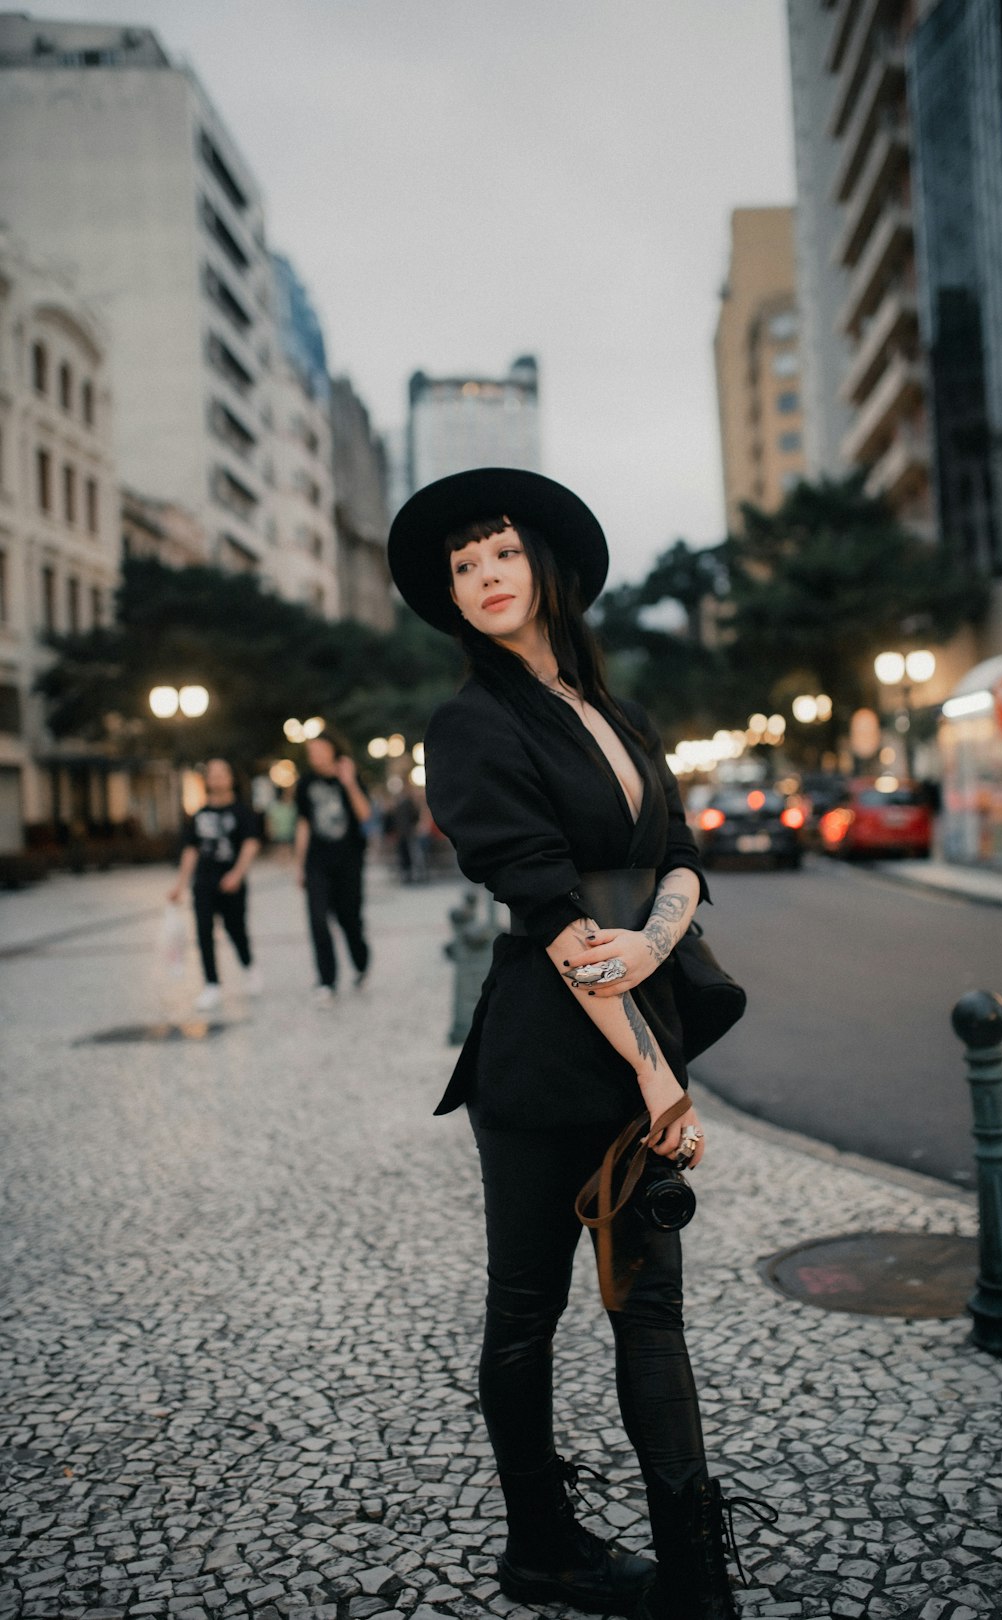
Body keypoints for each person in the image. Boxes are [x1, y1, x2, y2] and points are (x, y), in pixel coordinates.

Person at [388, 469, 768, 1620]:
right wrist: (659, 1081)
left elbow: (683, 850)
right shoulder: (470, 722)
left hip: (635, 1023)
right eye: (463, 566)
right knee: (526, 1311)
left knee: (651, 1312)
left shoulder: (621, 712)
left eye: (501, 553)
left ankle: (695, 1576)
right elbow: (554, 919)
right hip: (545, 1060)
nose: (484, 578)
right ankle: (541, 1545)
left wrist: (656, 941)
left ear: (546, 566)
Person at [167, 758, 262, 1012]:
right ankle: (212, 984)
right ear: (207, 780)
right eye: (212, 774)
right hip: (204, 882)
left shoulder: (242, 812)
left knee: (236, 929)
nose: (217, 778)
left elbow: (251, 844)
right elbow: (191, 850)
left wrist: (237, 874)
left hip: (232, 881)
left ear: (231, 778)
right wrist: (180, 885)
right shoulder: (199, 815)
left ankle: (249, 966)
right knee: (203, 932)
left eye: (222, 773)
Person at [294, 734, 371, 1007]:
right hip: (317, 862)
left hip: (349, 861)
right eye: (311, 751)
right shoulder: (305, 783)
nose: (315, 755)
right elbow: (304, 824)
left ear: (333, 750)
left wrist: (349, 783)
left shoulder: (349, 776)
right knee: (317, 920)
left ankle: (361, 962)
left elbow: (365, 815)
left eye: (320, 749)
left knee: (350, 920)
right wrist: (300, 865)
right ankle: (327, 981)